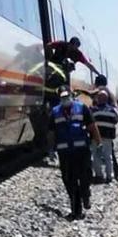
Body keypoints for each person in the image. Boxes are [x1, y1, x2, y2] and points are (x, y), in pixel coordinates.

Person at [49, 86, 102, 220]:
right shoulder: (54, 112)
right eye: (62, 97)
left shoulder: (82, 108)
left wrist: (98, 142)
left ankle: (86, 194)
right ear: (59, 98)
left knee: (85, 176)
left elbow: (92, 126)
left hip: (82, 151)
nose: (65, 99)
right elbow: (51, 132)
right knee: (69, 180)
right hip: (65, 153)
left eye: (67, 97)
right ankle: (76, 210)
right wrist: (50, 149)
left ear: (72, 96)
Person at [90, 90, 118, 183]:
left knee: (96, 156)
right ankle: (109, 176)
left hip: (95, 136)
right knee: (108, 156)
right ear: (107, 99)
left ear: (97, 99)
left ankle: (99, 175)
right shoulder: (112, 109)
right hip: (108, 136)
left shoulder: (92, 109)